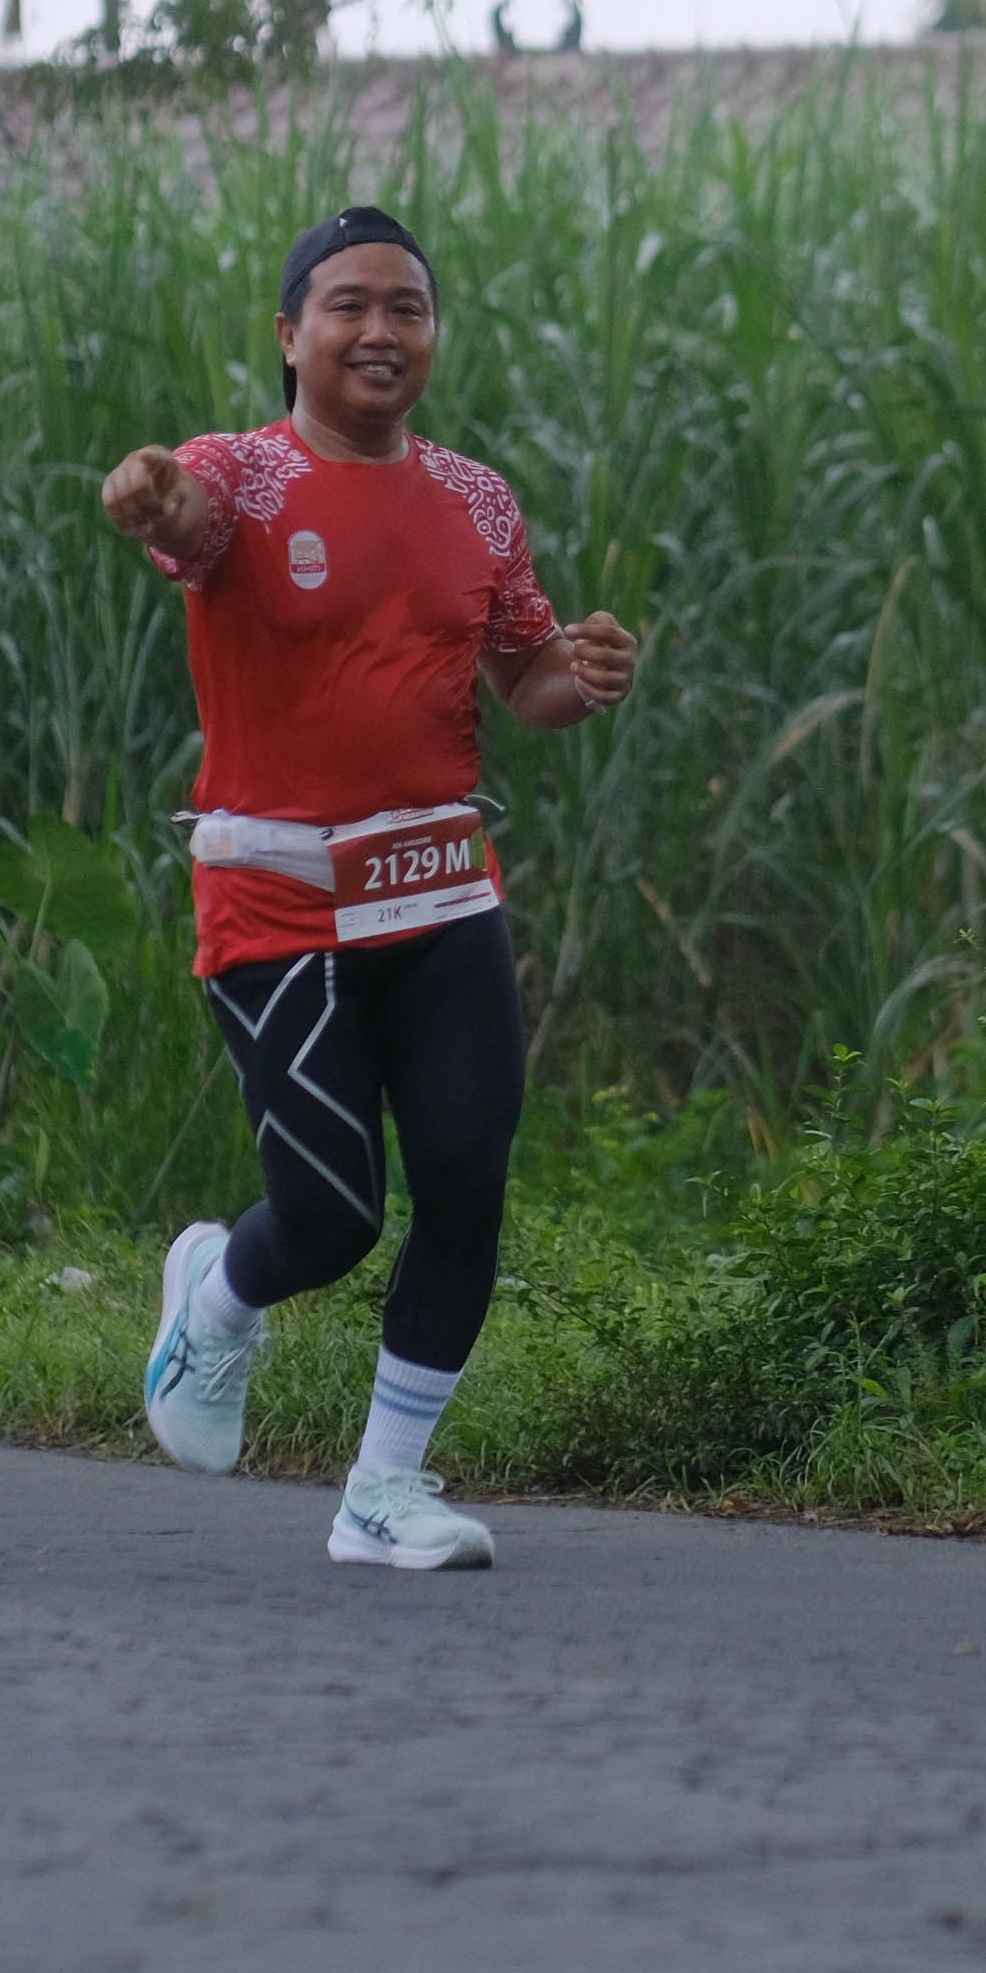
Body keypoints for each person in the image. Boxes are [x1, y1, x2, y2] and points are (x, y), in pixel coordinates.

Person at [99, 208, 640, 1569]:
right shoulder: (241, 475)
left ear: (434, 333)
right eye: (349, 305)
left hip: (444, 895)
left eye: (409, 306)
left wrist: (585, 674)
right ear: (292, 336)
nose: (381, 330)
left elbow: (525, 676)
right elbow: (188, 518)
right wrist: (154, 497)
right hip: (279, 908)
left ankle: (383, 1492)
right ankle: (217, 1296)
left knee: (465, 1184)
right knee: (333, 1218)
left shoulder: (476, 500)